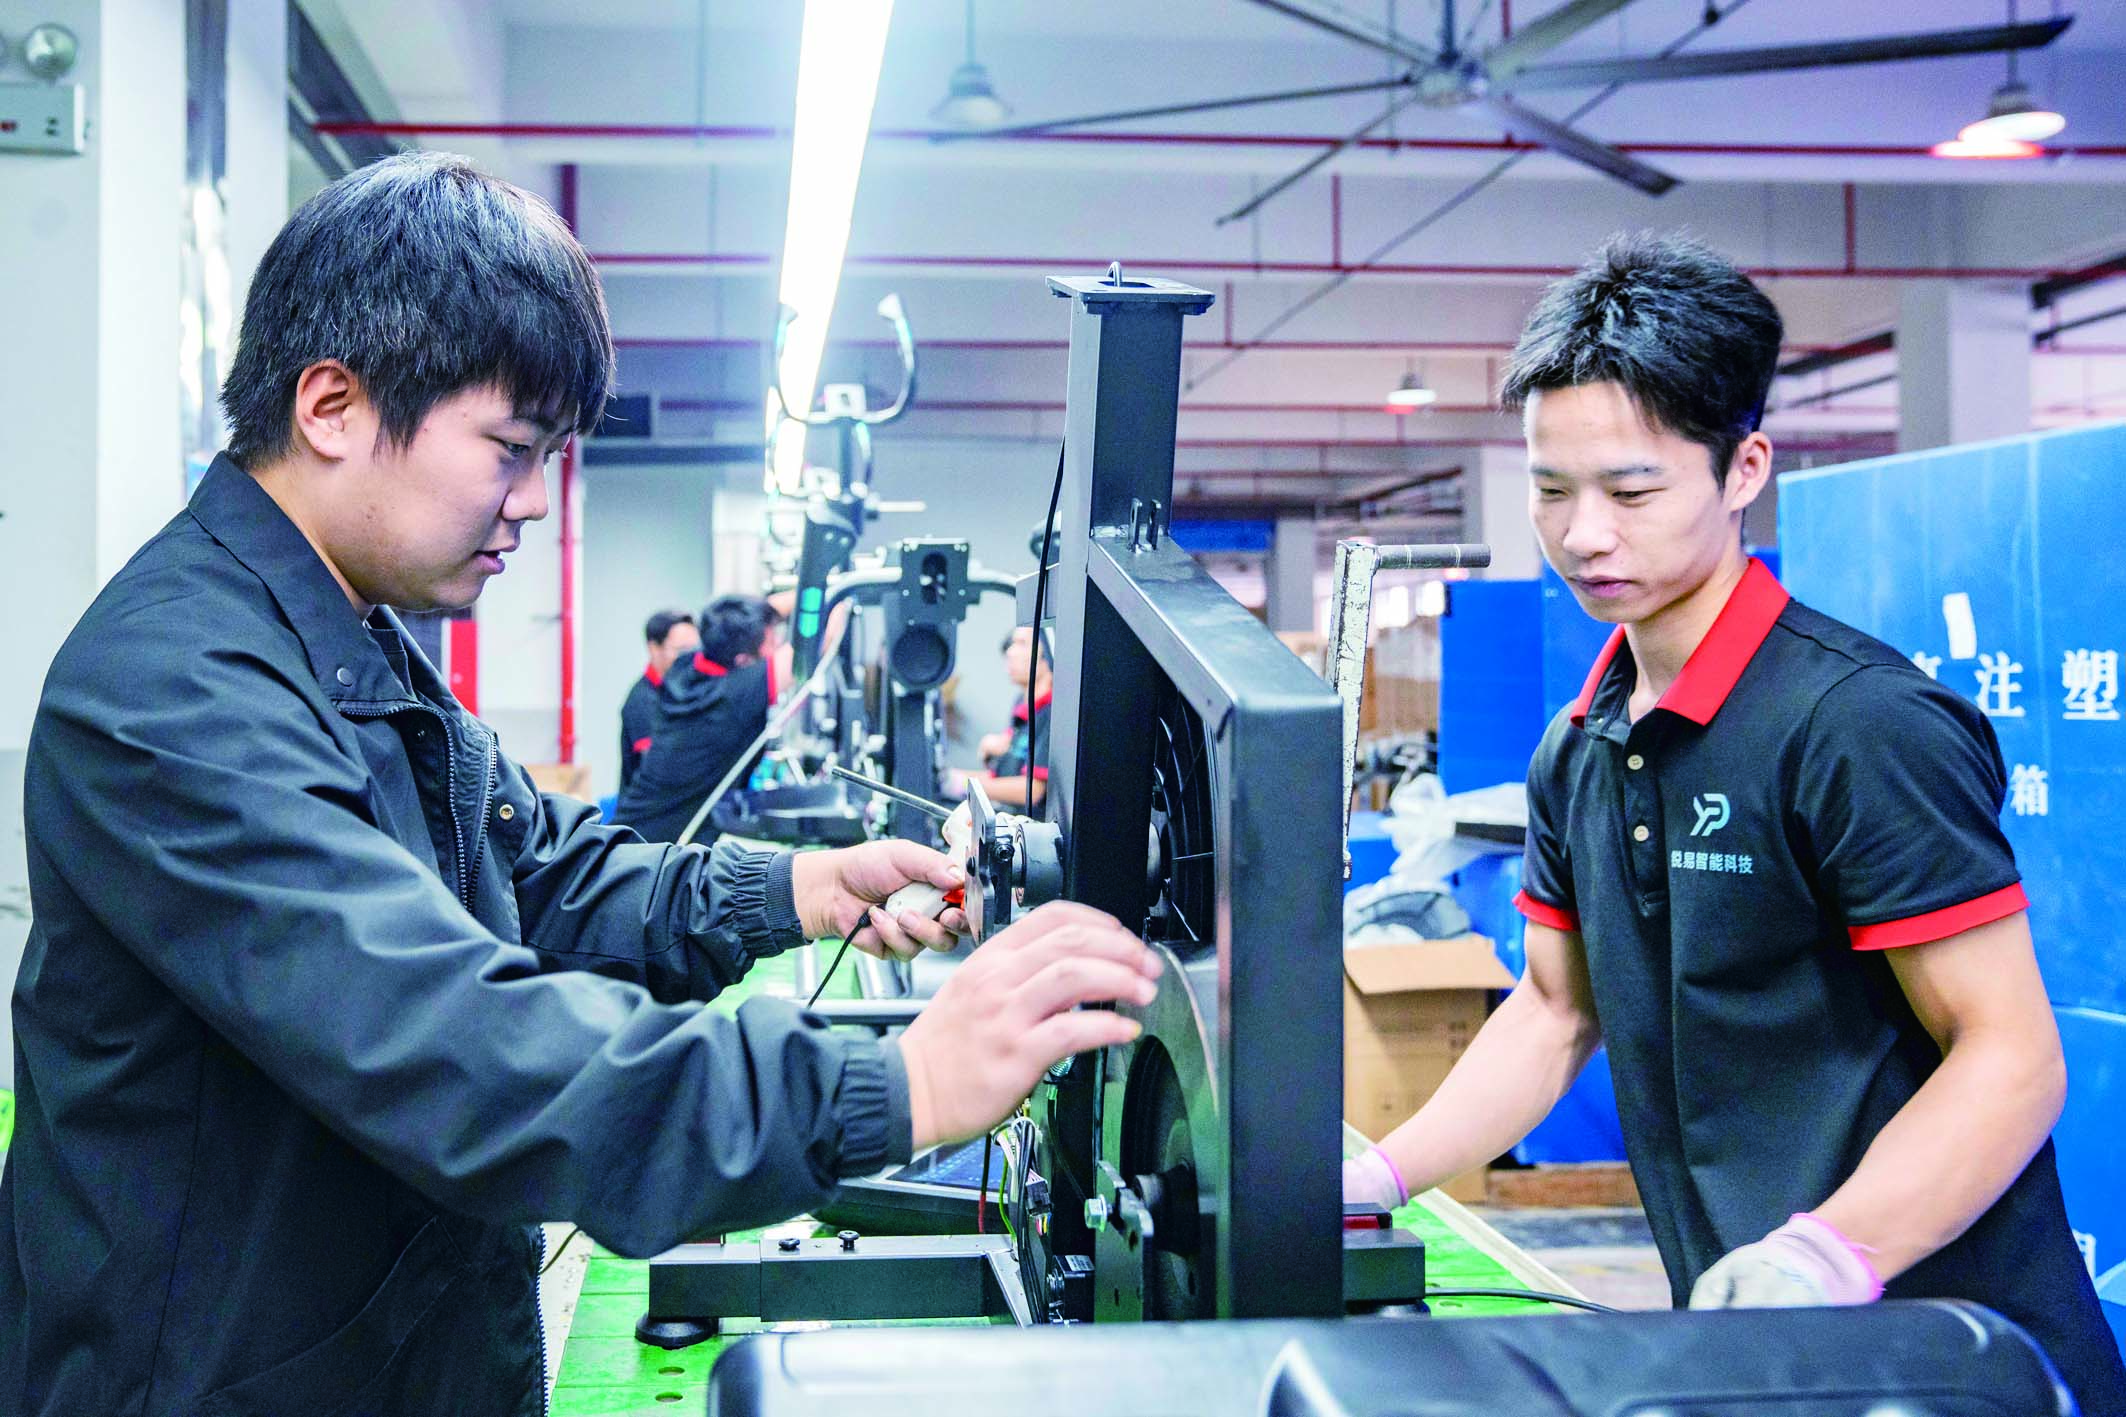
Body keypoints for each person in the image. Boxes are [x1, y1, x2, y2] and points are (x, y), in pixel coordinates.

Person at [0, 152, 1161, 1417]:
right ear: (331, 406)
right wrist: (897, 1087)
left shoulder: (351, 637)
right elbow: (443, 1039)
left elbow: (538, 872)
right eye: (510, 448)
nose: (534, 505)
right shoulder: (174, 688)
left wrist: (800, 888)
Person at [1342, 233, 2126, 1414]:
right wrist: (1379, 1177)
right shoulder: (1576, 748)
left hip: (1951, 1358)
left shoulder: (1854, 725)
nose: (1582, 534)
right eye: (1550, 491)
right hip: (1750, 1353)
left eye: (1630, 491)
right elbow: (1554, 1011)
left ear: (1743, 467)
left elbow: (2009, 1057)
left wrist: (1827, 1252)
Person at [610, 593, 788, 843]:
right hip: (647, 844)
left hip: (644, 835)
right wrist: (835, 593)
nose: (778, 644)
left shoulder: (684, 667)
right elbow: (812, 644)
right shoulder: (725, 698)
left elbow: (760, 614)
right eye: (771, 640)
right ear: (743, 660)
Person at [951, 625, 1051, 810]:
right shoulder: (1022, 704)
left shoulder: (1052, 712)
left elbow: (1034, 790)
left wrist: (962, 784)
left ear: (1049, 656)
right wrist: (951, 778)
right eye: (1013, 643)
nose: (1010, 652)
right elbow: (1003, 777)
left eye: (1022, 643)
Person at [620, 608, 698, 793]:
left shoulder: (684, 693)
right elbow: (659, 769)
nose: (691, 658)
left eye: (695, 650)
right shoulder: (642, 701)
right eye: (681, 650)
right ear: (654, 648)